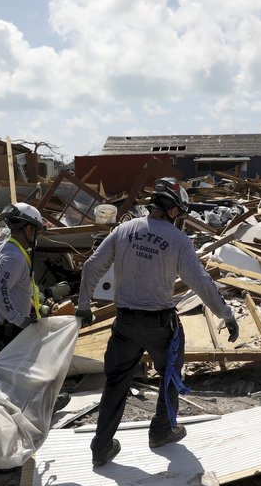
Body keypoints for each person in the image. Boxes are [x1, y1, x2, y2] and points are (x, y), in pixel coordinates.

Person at [75, 178, 240, 467]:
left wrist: (84, 305)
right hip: (160, 326)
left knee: (116, 383)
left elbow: (91, 265)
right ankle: (161, 430)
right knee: (170, 375)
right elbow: (200, 281)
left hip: (124, 323)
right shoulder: (178, 241)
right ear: (174, 210)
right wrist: (225, 314)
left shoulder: (124, 229)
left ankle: (101, 447)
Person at [0, 203, 46, 352]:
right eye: (34, 231)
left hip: (5, 327)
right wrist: (18, 320)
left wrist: (38, 296)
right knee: (14, 372)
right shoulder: (13, 258)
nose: (34, 236)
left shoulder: (7, 248)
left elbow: (17, 283)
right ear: (28, 229)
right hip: (8, 330)